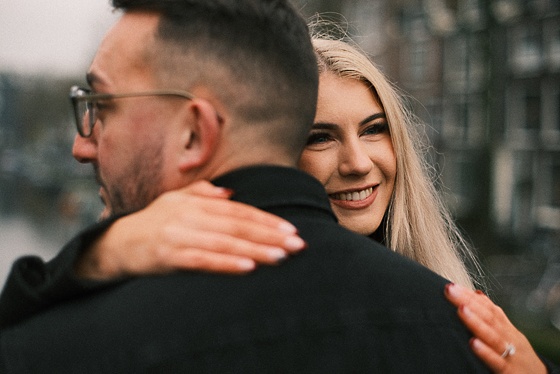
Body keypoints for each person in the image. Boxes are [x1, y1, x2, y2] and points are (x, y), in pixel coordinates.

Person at [0, 0, 491, 372]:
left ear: (196, 133)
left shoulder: (64, 347)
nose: (80, 147)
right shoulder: (460, 333)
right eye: (320, 137)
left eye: (102, 106)